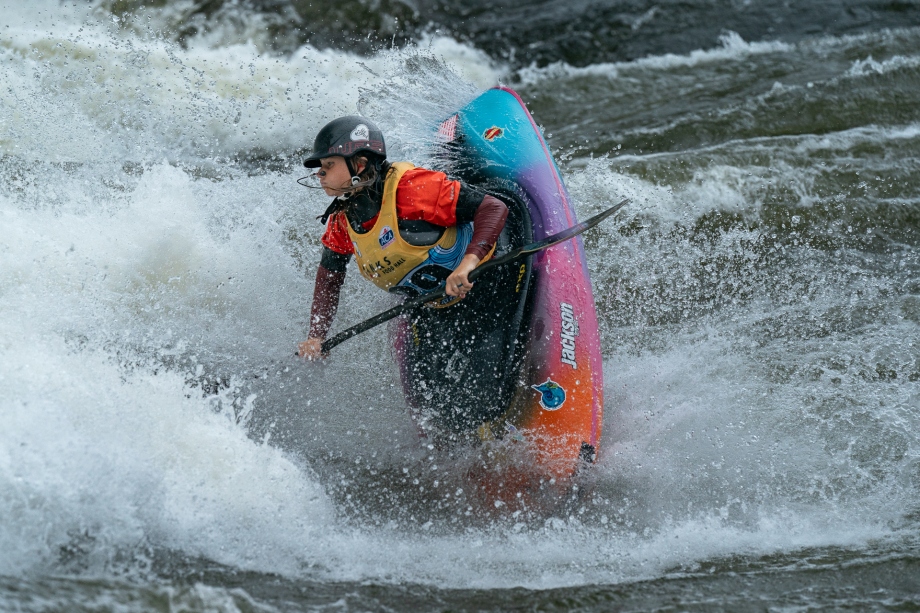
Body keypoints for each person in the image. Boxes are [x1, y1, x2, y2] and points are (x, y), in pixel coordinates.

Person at [297, 116, 508, 361]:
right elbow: (329, 279)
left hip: (490, 275)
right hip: (434, 306)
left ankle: (450, 147)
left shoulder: (411, 189)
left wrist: (468, 264)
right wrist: (316, 336)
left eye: (329, 164)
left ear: (360, 164)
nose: (320, 173)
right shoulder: (342, 221)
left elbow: (494, 208)